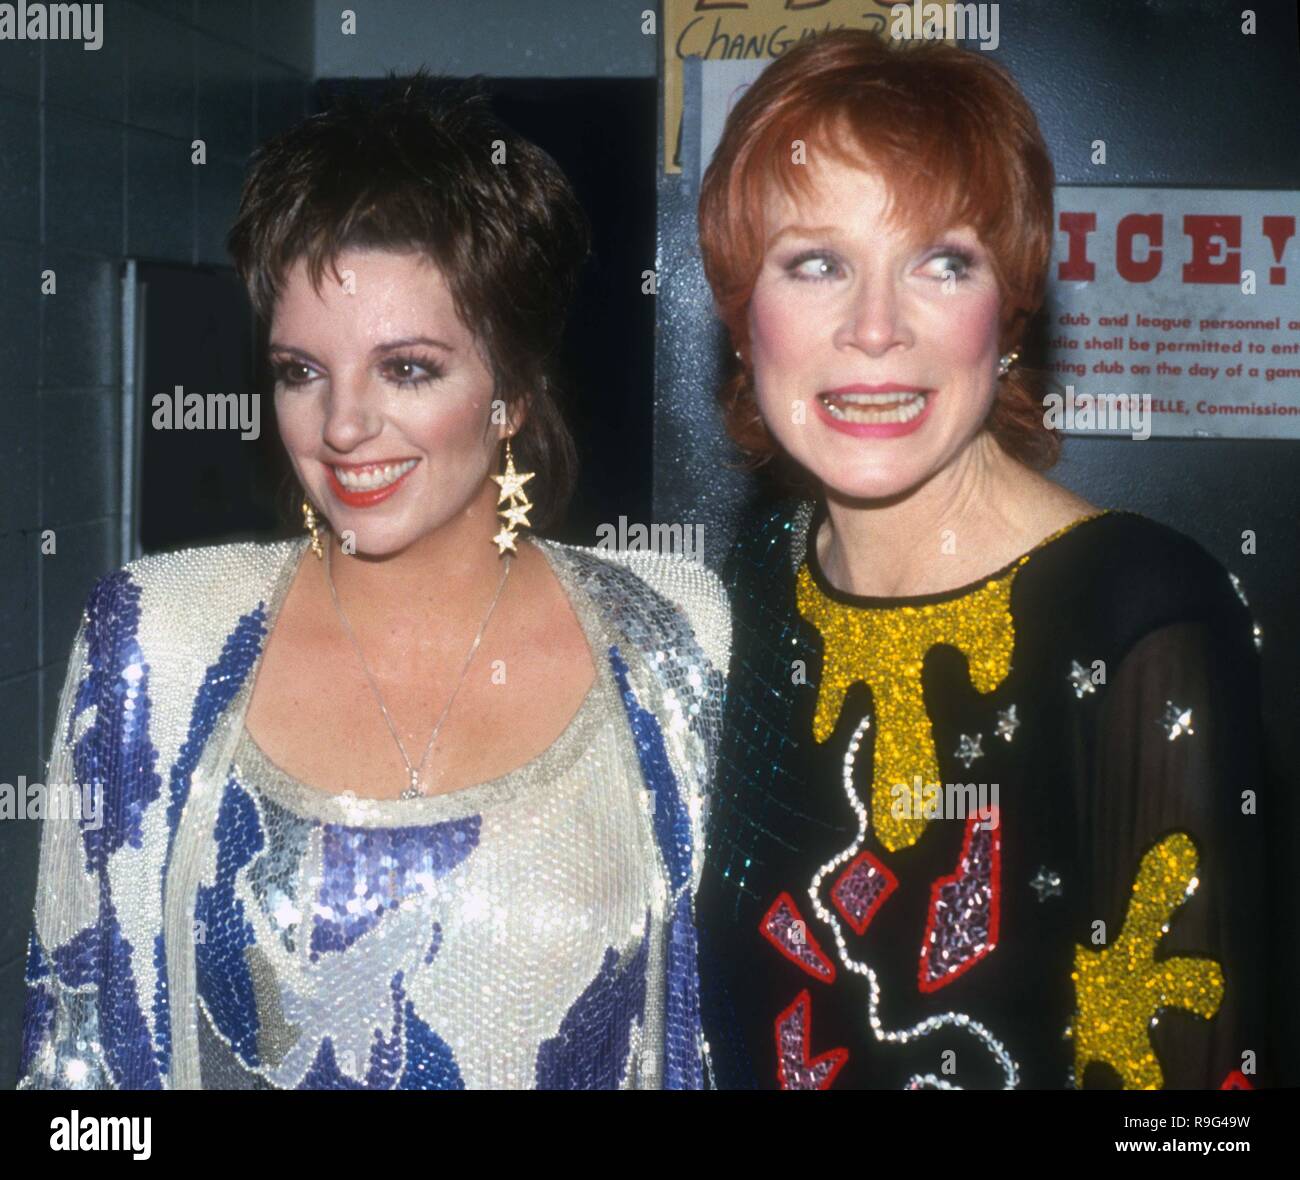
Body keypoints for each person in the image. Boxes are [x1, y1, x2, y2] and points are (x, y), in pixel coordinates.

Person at [18, 75, 729, 1091]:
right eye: (301, 369)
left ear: (513, 392)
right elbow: (69, 1070)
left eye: (406, 369)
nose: (341, 425)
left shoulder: (672, 638)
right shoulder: (155, 641)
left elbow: (723, 1036)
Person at [693, 30, 1266, 1090]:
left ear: (1006, 313)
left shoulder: (1142, 613)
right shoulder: (752, 584)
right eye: (815, 262)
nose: (875, 328)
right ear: (741, 317)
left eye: (941, 261)